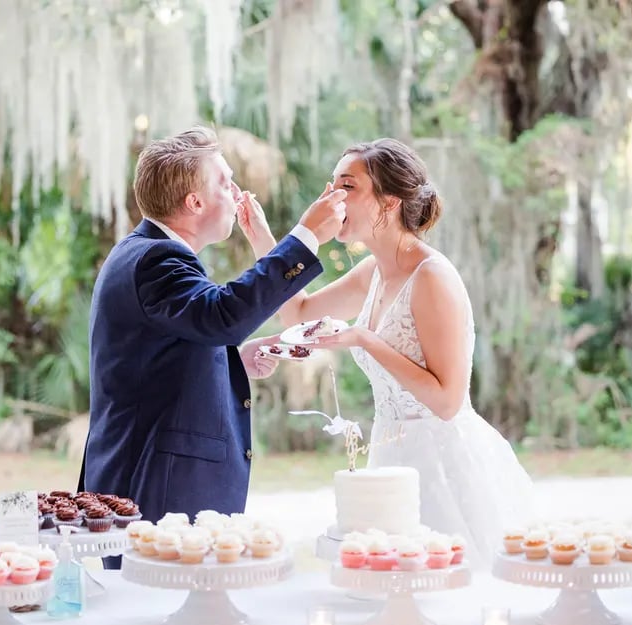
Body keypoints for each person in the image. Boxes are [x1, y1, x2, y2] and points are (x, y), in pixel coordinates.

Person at [241, 138, 533, 567]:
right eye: (331, 185)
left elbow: (448, 402)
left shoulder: (431, 276)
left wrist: (364, 339)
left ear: (389, 202)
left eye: (348, 186)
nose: (331, 198)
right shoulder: (372, 272)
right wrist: (259, 235)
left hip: (442, 468)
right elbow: (297, 313)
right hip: (388, 463)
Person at [79, 126, 346, 568]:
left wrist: (232, 359)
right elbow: (222, 314)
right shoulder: (157, 259)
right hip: (157, 487)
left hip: (146, 478)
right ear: (195, 202)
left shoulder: (143, 251)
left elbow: (168, 350)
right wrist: (305, 237)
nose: (236, 191)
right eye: (225, 181)